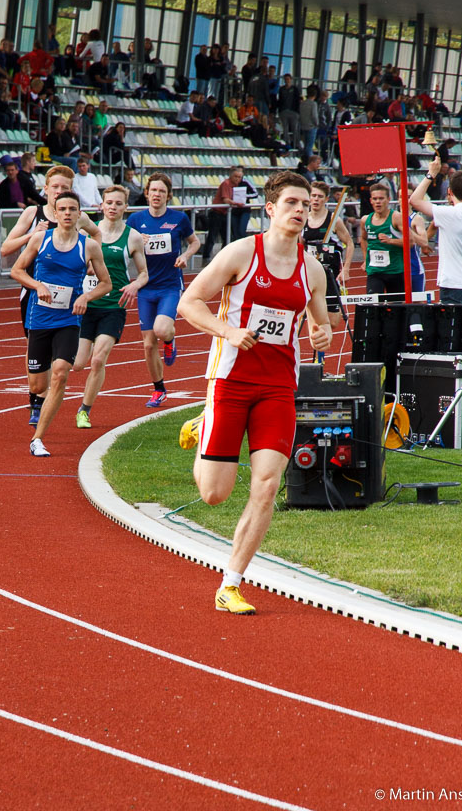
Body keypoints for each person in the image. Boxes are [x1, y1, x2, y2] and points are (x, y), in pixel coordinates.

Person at [177, 170, 331, 615]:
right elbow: (191, 302)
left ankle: (231, 583)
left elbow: (322, 327)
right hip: (230, 380)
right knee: (214, 494)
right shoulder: (241, 253)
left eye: (307, 204)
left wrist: (321, 337)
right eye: (292, 203)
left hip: (279, 387)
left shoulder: (313, 269)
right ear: (270, 209)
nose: (301, 210)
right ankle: (205, 423)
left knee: (266, 485)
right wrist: (227, 329)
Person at [10, 191, 111, 458]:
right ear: (55, 213)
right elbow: (16, 271)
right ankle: (37, 403)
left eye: (72, 209)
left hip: (69, 319)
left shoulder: (88, 246)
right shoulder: (40, 239)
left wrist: (86, 297)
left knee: (61, 373)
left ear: (80, 214)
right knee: (37, 386)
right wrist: (37, 285)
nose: (67, 213)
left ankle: (38, 438)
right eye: (62, 209)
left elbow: (106, 283)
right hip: (40, 319)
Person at [0, 164, 100, 425]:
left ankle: (44, 399)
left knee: (62, 357)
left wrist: (90, 263)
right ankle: (36, 399)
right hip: (33, 290)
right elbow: (5, 249)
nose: (59, 192)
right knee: (34, 344)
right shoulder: (33, 212)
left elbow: (97, 234)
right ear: (45, 189)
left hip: (69, 295)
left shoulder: (78, 216)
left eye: (64, 188)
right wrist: (33, 234)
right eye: (54, 187)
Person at [73, 185, 149, 428]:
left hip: (113, 307)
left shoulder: (133, 236)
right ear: (102, 205)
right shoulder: (87, 233)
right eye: (109, 203)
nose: (113, 207)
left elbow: (144, 273)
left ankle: (84, 410)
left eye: (118, 203)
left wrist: (135, 285)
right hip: (87, 304)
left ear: (125, 207)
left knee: (98, 359)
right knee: (77, 364)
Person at [128, 172, 200, 407]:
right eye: (153, 190)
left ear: (168, 195)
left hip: (169, 285)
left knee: (161, 330)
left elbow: (194, 242)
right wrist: (137, 242)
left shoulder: (179, 218)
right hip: (146, 286)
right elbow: (123, 244)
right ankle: (159, 389)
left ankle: (170, 340)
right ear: (146, 193)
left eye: (161, 191)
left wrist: (186, 255)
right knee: (148, 345)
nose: (156, 195)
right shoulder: (136, 220)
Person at [411, 158, 462, 304]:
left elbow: (414, 200)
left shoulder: (449, 214)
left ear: (449, 191)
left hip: (453, 283)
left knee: (451, 327)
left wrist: (430, 174)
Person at [301, 181, 354, 333]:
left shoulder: (333, 220)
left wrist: (347, 269)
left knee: (333, 321)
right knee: (309, 317)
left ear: (326, 199)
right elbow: (299, 246)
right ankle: (320, 354)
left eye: (320, 196)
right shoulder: (303, 218)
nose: (316, 199)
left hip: (329, 274)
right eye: (313, 196)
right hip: (310, 274)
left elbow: (349, 243)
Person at [360, 182, 409, 300]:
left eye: (381, 198)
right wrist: (365, 258)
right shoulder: (365, 220)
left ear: (388, 199)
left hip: (395, 271)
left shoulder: (396, 217)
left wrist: (390, 241)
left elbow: (411, 242)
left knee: (397, 310)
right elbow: (363, 238)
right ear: (371, 200)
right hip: (375, 272)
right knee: (374, 306)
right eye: (375, 199)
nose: (378, 202)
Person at [202, 166, 250, 262]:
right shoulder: (226, 184)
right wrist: (237, 203)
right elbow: (225, 199)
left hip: (225, 214)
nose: (237, 179)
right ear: (231, 176)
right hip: (217, 213)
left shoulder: (237, 186)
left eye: (239, 177)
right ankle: (206, 257)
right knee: (213, 236)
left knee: (228, 237)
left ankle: (222, 257)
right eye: (236, 176)